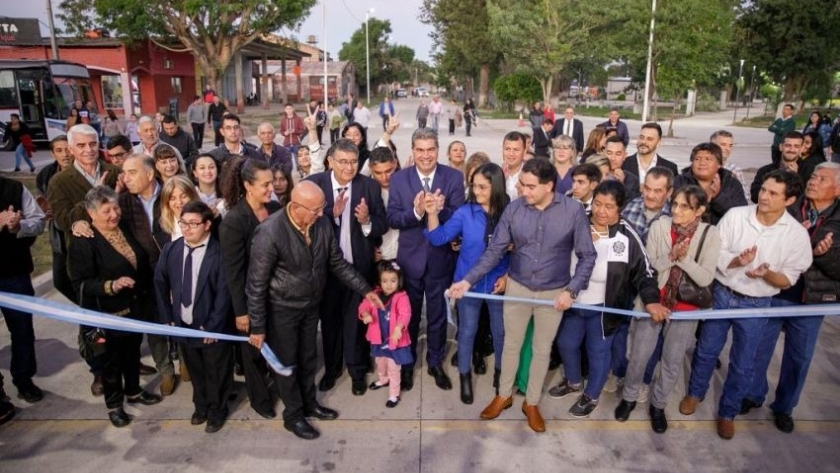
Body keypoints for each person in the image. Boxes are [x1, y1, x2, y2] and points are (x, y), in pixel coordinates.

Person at [449, 158, 596, 433]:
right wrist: (467, 281)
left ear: (549, 185)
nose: (523, 191)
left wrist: (571, 291)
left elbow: (588, 256)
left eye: (530, 187)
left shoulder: (573, 211)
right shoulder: (514, 209)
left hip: (554, 293)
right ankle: (503, 395)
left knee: (541, 350)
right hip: (517, 287)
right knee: (511, 344)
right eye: (522, 185)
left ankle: (531, 403)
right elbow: (494, 252)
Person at [680, 170, 812, 440]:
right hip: (722, 295)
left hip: (757, 304)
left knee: (743, 363)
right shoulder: (736, 216)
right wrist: (737, 262)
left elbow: (788, 278)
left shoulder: (796, 235)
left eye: (773, 193)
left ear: (790, 200)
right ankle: (695, 393)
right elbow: (714, 252)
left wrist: (767, 274)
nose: (763, 196)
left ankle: (727, 413)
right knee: (706, 350)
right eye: (763, 189)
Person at [246, 181, 384, 440]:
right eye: (316, 210)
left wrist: (365, 290)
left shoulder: (320, 225)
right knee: (287, 364)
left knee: (308, 358)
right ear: (296, 207)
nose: (322, 214)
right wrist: (258, 326)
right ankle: (294, 415)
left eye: (322, 208)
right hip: (282, 311)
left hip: (310, 307)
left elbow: (337, 262)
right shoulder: (270, 232)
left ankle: (310, 403)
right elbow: (256, 284)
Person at [550, 180, 667, 418]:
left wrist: (651, 299)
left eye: (609, 206)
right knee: (566, 343)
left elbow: (645, 272)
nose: (601, 211)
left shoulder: (627, 237)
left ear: (620, 209)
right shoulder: (577, 222)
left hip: (604, 309)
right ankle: (573, 382)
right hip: (573, 303)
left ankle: (591, 395)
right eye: (598, 204)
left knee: (597, 352)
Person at [741, 162, 840, 433]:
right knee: (759, 350)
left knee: (799, 358)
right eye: (814, 175)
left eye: (822, 178)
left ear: (838, 189)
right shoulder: (790, 208)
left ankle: (784, 407)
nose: (814, 181)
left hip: (810, 299)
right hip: (775, 291)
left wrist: (823, 255)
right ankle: (752, 394)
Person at [616, 185, 721, 433]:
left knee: (672, 361)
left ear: (700, 210)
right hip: (653, 302)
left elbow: (706, 278)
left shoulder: (710, 234)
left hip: (686, 308)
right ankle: (629, 398)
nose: (676, 210)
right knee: (640, 355)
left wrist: (683, 259)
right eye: (674, 204)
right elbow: (649, 266)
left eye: (685, 206)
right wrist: (672, 257)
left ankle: (659, 405)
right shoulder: (660, 227)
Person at [68, 186, 163, 427]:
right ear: (90, 213)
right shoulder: (84, 241)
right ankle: (114, 405)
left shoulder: (123, 228)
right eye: (106, 210)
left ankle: (133, 391)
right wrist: (111, 285)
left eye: (116, 207)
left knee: (132, 354)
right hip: (107, 315)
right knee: (111, 363)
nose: (114, 214)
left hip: (133, 310)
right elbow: (80, 283)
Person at [387, 128, 466, 392]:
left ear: (437, 149)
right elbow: (393, 219)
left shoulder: (453, 177)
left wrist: (440, 212)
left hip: (440, 261)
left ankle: (434, 362)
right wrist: (416, 211)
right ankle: (407, 365)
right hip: (410, 261)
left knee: (437, 316)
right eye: (420, 150)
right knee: (407, 318)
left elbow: (459, 218)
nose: (425, 155)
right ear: (412, 151)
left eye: (430, 149)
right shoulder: (399, 180)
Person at [306, 139, 387, 395]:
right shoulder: (315, 185)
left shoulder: (369, 186)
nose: (349, 168)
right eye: (343, 162)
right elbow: (304, 223)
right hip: (327, 272)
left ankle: (357, 370)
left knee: (358, 322)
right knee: (329, 322)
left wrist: (366, 221)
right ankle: (332, 369)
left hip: (359, 269)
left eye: (353, 162)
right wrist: (332, 214)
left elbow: (382, 224)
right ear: (330, 161)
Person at [424, 162, 509, 405]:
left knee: (500, 332)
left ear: (497, 187)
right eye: (474, 186)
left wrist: (507, 276)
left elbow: (519, 250)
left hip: (497, 284)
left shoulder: (510, 212)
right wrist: (431, 213)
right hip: (467, 284)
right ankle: (464, 377)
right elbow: (438, 237)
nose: (476, 191)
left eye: (483, 187)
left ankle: (501, 377)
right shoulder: (465, 212)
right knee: (467, 332)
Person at [47, 124, 122, 395]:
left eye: (92, 144)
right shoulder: (60, 181)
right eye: (81, 146)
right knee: (92, 321)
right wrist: (92, 199)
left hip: (115, 256)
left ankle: (128, 361)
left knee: (122, 313)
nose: (88, 150)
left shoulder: (113, 172)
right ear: (70, 149)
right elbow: (64, 219)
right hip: (85, 261)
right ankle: (99, 370)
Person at [154, 200, 233, 433]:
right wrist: (167, 317)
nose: (187, 228)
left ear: (207, 225)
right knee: (195, 370)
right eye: (183, 223)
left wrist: (213, 327)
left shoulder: (219, 253)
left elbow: (223, 294)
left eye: (193, 224)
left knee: (215, 371)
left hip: (210, 327)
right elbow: (160, 282)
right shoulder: (172, 249)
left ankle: (218, 410)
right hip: (183, 325)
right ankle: (201, 406)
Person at [219, 157, 280, 420]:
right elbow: (233, 272)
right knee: (253, 354)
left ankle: (279, 388)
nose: (271, 188)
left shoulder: (276, 208)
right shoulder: (234, 221)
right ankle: (261, 400)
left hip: (278, 296)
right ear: (247, 185)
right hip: (250, 300)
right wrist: (241, 312)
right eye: (265, 184)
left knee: (278, 347)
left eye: (272, 182)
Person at [118, 154, 179, 395]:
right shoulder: (122, 202)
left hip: (173, 268)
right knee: (153, 324)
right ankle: (165, 371)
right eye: (124, 172)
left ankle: (186, 361)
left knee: (181, 316)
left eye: (132, 172)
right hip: (143, 275)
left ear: (150, 174)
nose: (126, 178)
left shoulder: (169, 193)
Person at [0, 174, 46, 407]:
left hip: (14, 274)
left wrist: (19, 225)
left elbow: (39, 221)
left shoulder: (14, 189)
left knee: (22, 331)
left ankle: (24, 379)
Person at [358, 261, 413, 408]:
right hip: (379, 339)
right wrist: (365, 314)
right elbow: (364, 305)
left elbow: (405, 314)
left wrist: (398, 328)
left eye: (393, 281)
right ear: (379, 281)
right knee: (380, 363)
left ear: (399, 281)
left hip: (395, 341)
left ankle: (394, 394)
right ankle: (383, 379)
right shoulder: (375, 295)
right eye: (385, 281)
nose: (389, 285)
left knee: (394, 369)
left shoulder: (402, 297)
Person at [36, 135, 75, 301]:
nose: (64, 154)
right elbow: (42, 199)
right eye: (59, 150)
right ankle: (89, 311)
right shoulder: (46, 174)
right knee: (60, 281)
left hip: (80, 232)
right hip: (58, 235)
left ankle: (92, 316)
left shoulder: (81, 171)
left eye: (67, 149)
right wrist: (44, 210)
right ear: (53, 154)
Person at [674, 142, 747, 225]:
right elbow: (676, 212)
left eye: (708, 159)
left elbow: (740, 215)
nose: (702, 163)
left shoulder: (732, 183)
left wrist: (718, 197)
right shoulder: (680, 181)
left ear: (719, 164)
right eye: (697, 159)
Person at [749, 132, 813, 204]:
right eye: (788, 145)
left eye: (796, 146)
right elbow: (754, 196)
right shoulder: (765, 170)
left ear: (802, 149)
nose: (791, 149)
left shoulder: (810, 171)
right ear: (781, 147)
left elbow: (807, 199)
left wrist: (796, 177)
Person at [368, 147, 401, 262]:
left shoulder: (406, 186)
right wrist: (368, 249)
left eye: (388, 171)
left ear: (395, 164)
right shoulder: (365, 191)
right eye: (378, 173)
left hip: (404, 255)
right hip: (377, 258)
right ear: (370, 169)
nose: (384, 177)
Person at [710, 130, 750, 201]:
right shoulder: (700, 167)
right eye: (723, 144)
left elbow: (745, 196)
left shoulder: (734, 170)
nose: (727, 149)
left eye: (730, 145)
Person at [603, 136, 641, 201]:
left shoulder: (632, 181)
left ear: (624, 156)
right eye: (609, 153)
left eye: (618, 154)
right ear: (604, 153)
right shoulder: (594, 174)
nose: (613, 158)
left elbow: (630, 207)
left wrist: (621, 185)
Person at [501, 132, 527, 200]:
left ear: (524, 152)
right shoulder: (495, 174)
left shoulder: (531, 175)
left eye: (516, 150)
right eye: (507, 149)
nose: (511, 154)